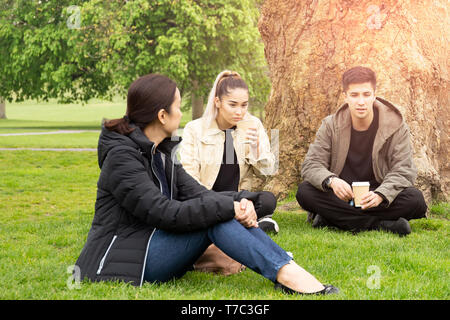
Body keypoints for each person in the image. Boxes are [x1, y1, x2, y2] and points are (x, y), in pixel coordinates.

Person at [74, 73, 338, 295]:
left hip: (154, 243)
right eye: (178, 106)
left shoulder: (160, 153)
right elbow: (164, 213)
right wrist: (228, 208)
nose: (182, 112)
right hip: (126, 259)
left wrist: (239, 204)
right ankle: (289, 275)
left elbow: (197, 192)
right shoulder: (122, 158)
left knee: (222, 211)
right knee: (217, 216)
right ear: (162, 115)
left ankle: (286, 270)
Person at [296, 66, 427, 236]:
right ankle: (381, 225)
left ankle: (331, 219)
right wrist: (332, 181)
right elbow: (311, 164)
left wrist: (382, 194)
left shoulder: (395, 125)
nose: (361, 102)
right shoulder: (330, 125)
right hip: (342, 196)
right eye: (354, 95)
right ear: (345, 97)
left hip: (376, 196)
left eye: (366, 94)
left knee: (415, 200)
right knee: (305, 192)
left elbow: (404, 169)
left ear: (374, 94)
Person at [180, 70, 279, 233]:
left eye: (244, 105)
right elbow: (189, 178)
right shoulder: (195, 129)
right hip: (207, 197)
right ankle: (249, 221)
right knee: (190, 204)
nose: (239, 112)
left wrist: (257, 149)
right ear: (217, 102)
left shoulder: (253, 125)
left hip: (238, 197)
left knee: (267, 200)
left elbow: (266, 172)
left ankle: (229, 219)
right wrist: (210, 201)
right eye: (232, 105)